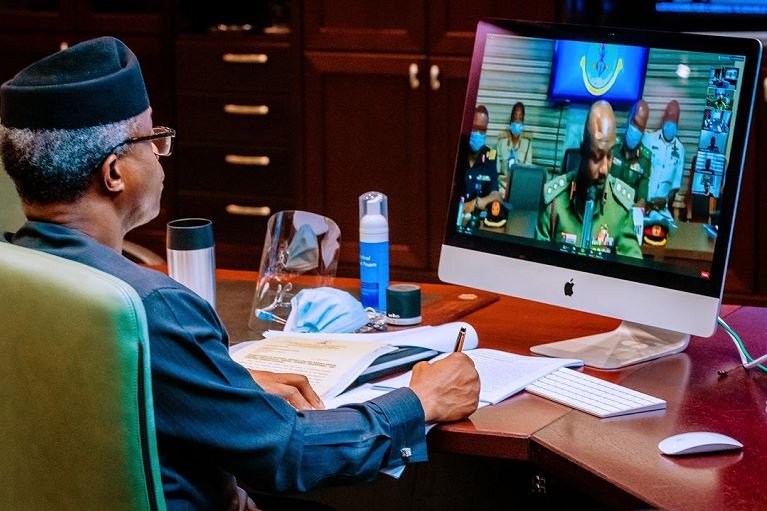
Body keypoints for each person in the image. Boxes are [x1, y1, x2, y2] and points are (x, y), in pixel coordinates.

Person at [0, 37, 481, 511]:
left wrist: (220, 385)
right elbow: (290, 454)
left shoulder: (16, 270)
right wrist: (418, 402)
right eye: (153, 140)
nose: (162, 153)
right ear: (114, 174)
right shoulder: (149, 306)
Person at [535, 100, 642, 259]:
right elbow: (537, 266)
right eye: (596, 157)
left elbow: (633, 272)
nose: (604, 169)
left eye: (609, 156)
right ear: (583, 152)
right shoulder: (554, 202)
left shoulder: (620, 207)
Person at [643, 99, 685, 218]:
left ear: (677, 124)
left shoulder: (680, 150)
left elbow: (675, 186)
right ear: (663, 121)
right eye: (668, 122)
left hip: (661, 210)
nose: (670, 126)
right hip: (642, 203)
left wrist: (665, 201)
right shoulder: (649, 139)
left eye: (673, 123)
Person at [610, 99, 652, 206]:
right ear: (629, 119)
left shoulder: (645, 158)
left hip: (629, 209)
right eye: (634, 123)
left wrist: (641, 203)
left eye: (640, 128)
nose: (636, 130)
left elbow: (642, 193)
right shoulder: (612, 146)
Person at [461, 105, 501, 214]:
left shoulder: (490, 156)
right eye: (475, 128)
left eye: (482, 130)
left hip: (475, 217)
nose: (478, 133)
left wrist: (474, 203)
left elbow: (496, 195)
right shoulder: (458, 152)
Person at [496, 102, 533, 196]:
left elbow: (528, 172)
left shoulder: (527, 144)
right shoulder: (501, 142)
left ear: (523, 122)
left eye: (520, 118)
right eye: (515, 117)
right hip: (502, 188)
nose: (517, 121)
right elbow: (496, 170)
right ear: (511, 120)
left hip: (519, 189)